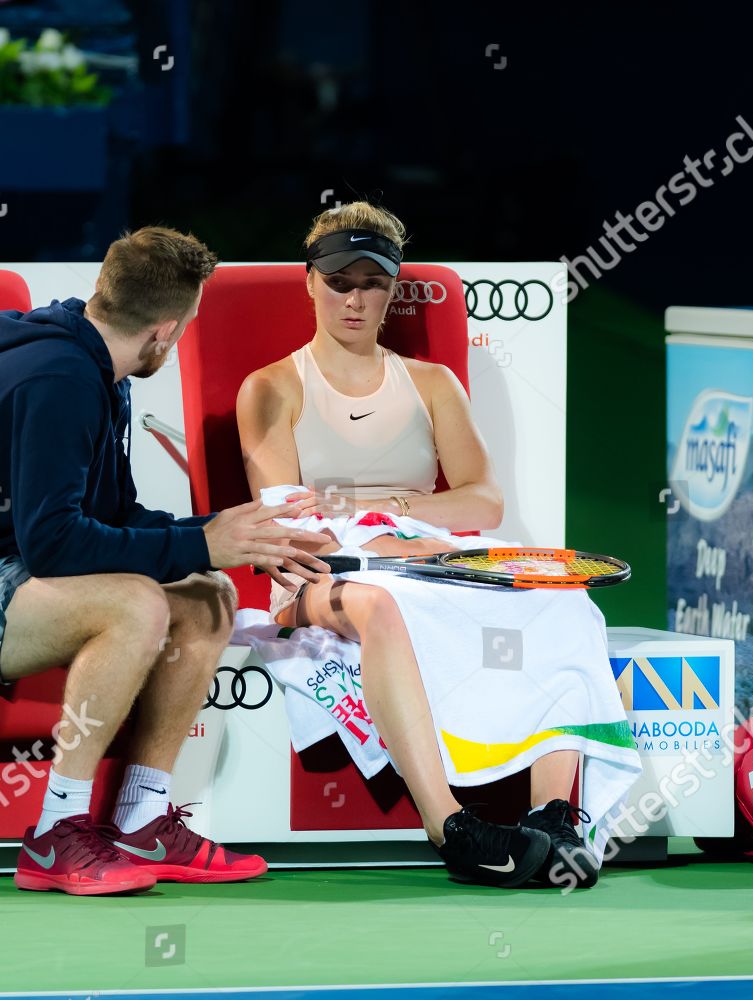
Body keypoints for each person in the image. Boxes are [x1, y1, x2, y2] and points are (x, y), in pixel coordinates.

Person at [0, 226, 329, 896]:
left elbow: (110, 520)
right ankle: (55, 835)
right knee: (135, 604)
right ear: (165, 329)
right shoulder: (57, 378)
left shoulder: (100, 369)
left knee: (208, 594)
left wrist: (228, 535)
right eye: (186, 328)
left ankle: (140, 819)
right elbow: (57, 546)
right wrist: (199, 541)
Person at [235, 203, 592, 889]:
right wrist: (390, 530)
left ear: (394, 288)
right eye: (340, 280)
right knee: (377, 604)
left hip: (429, 561)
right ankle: (448, 826)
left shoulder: (432, 384)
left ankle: (553, 818)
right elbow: (288, 523)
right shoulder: (271, 388)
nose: (356, 298)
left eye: (373, 281)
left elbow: (483, 501)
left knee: (563, 600)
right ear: (311, 282)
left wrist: (399, 521)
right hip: (320, 577)